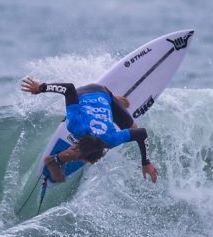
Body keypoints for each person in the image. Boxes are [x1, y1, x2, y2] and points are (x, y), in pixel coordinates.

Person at [21, 77, 158, 184]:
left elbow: (141, 133)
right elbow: (70, 89)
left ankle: (112, 100)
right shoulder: (78, 126)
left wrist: (146, 163)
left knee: (133, 127)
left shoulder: (108, 137)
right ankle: (54, 160)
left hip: (102, 94)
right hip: (84, 95)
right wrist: (41, 87)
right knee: (132, 128)